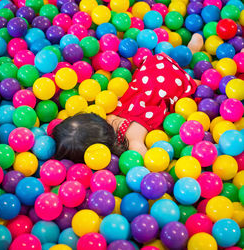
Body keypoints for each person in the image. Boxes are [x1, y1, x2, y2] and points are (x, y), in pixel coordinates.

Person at [53, 34, 204, 163]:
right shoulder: (109, 114)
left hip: (170, 87)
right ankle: (190, 50)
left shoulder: (132, 138)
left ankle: (195, 76)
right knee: (176, 67)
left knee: (195, 86)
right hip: (152, 71)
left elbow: (144, 157)